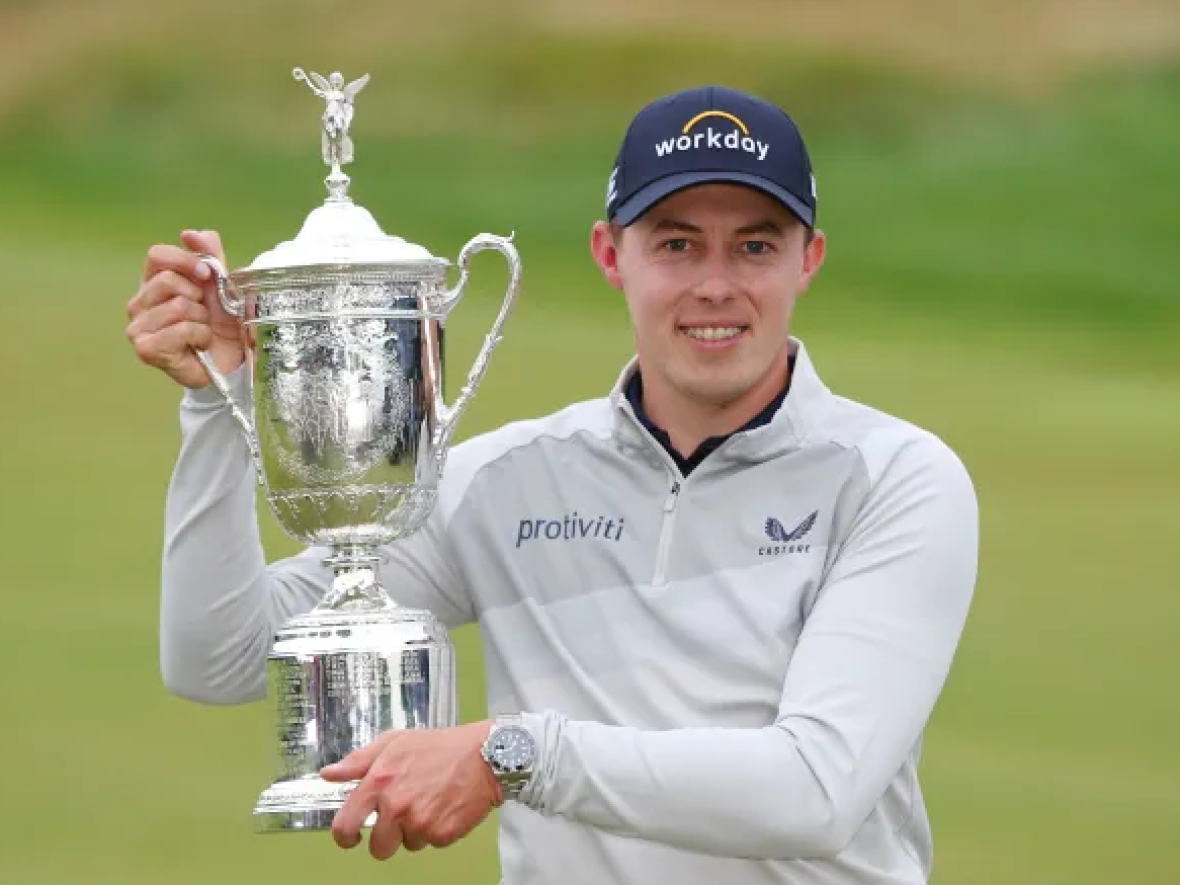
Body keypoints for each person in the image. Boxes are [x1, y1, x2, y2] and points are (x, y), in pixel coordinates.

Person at [126, 84, 979, 884]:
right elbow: (219, 657)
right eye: (677, 243)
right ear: (612, 254)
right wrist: (219, 400)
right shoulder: (507, 482)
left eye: (755, 245)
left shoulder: (894, 479)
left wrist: (510, 755)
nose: (715, 285)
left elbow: (816, 790)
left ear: (809, 260)